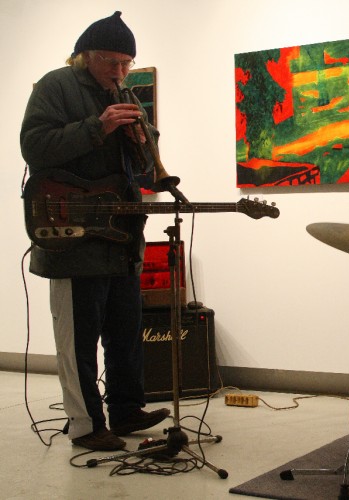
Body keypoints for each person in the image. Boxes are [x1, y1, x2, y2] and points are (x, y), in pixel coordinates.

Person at [20, 11, 170, 451]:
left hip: (119, 234)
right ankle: (85, 425)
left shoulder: (125, 93)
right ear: (86, 56)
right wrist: (98, 126)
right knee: (78, 339)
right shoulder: (55, 86)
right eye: (112, 62)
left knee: (125, 331)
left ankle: (126, 410)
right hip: (71, 232)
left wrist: (144, 143)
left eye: (127, 64)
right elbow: (34, 146)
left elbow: (145, 163)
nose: (120, 72)